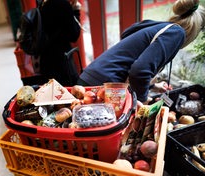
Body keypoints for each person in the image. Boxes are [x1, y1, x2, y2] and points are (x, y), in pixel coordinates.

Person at [77, 0, 205, 104]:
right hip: (105, 86)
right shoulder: (177, 33)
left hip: (91, 79)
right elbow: (140, 70)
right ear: (196, 28)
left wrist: (152, 87)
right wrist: (142, 100)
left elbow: (129, 54)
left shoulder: (159, 26)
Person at [39, 0, 82, 86]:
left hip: (46, 59)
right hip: (62, 61)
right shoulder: (63, 5)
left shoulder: (43, 4)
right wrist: (76, 11)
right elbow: (74, 36)